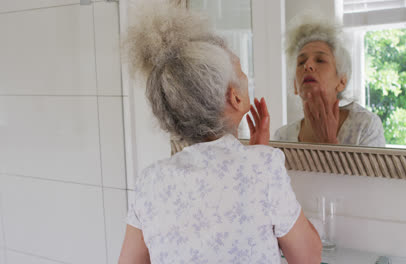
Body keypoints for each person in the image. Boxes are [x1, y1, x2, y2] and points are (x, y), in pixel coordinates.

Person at [118, 3, 322, 264]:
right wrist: (259, 157)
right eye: (241, 73)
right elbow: (309, 257)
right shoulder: (264, 167)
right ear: (235, 97)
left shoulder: (150, 182)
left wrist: (256, 154)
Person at [274, 14, 386, 147]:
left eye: (320, 60)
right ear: (295, 85)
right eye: (301, 62)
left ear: (341, 82)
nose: (307, 65)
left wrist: (328, 142)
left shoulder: (365, 126)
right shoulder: (282, 137)